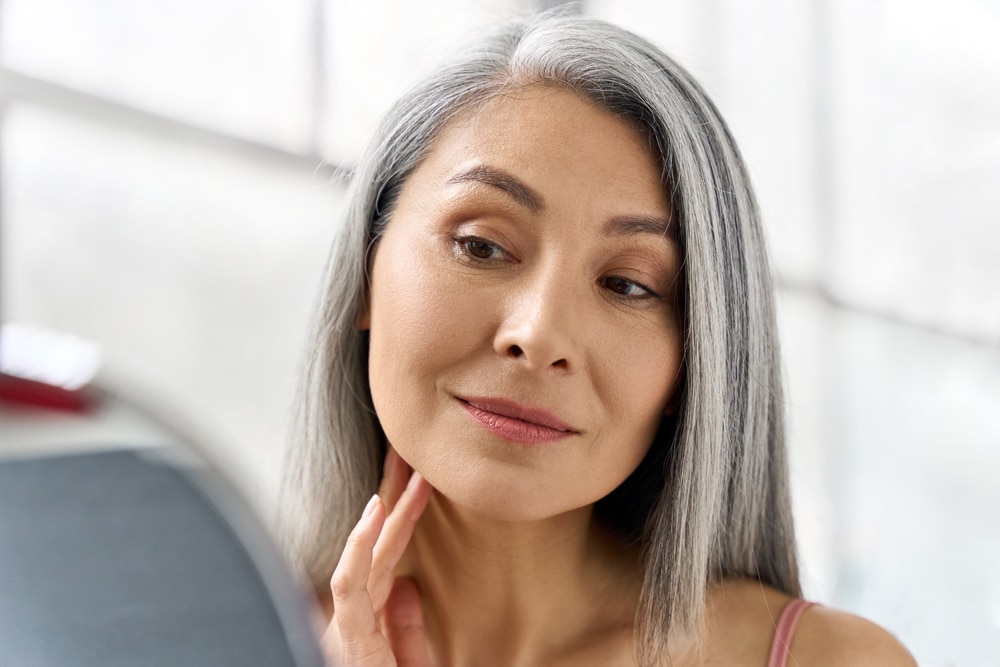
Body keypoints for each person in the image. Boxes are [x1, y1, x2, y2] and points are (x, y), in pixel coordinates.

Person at [278, 13, 915, 666]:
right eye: (481, 245)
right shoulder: (207, 631)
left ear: (692, 368)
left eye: (628, 285)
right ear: (364, 272)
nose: (538, 333)